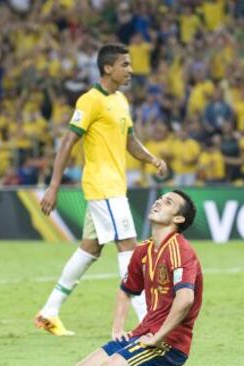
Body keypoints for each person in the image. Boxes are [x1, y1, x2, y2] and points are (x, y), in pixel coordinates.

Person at [35, 43, 167, 336]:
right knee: (129, 247)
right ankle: (147, 321)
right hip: (102, 186)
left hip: (114, 186)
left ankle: (49, 311)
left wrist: (152, 159)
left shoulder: (121, 101)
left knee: (90, 249)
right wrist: (54, 186)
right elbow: (68, 142)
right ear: (108, 68)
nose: (131, 70)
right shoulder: (90, 100)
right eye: (125, 65)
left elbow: (130, 140)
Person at [69, 190, 203, 366]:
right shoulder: (143, 250)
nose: (158, 202)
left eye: (168, 202)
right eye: (160, 199)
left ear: (179, 218)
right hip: (142, 333)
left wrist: (158, 338)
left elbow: (185, 299)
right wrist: (118, 328)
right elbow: (126, 289)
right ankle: (141, 365)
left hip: (169, 343)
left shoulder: (180, 250)